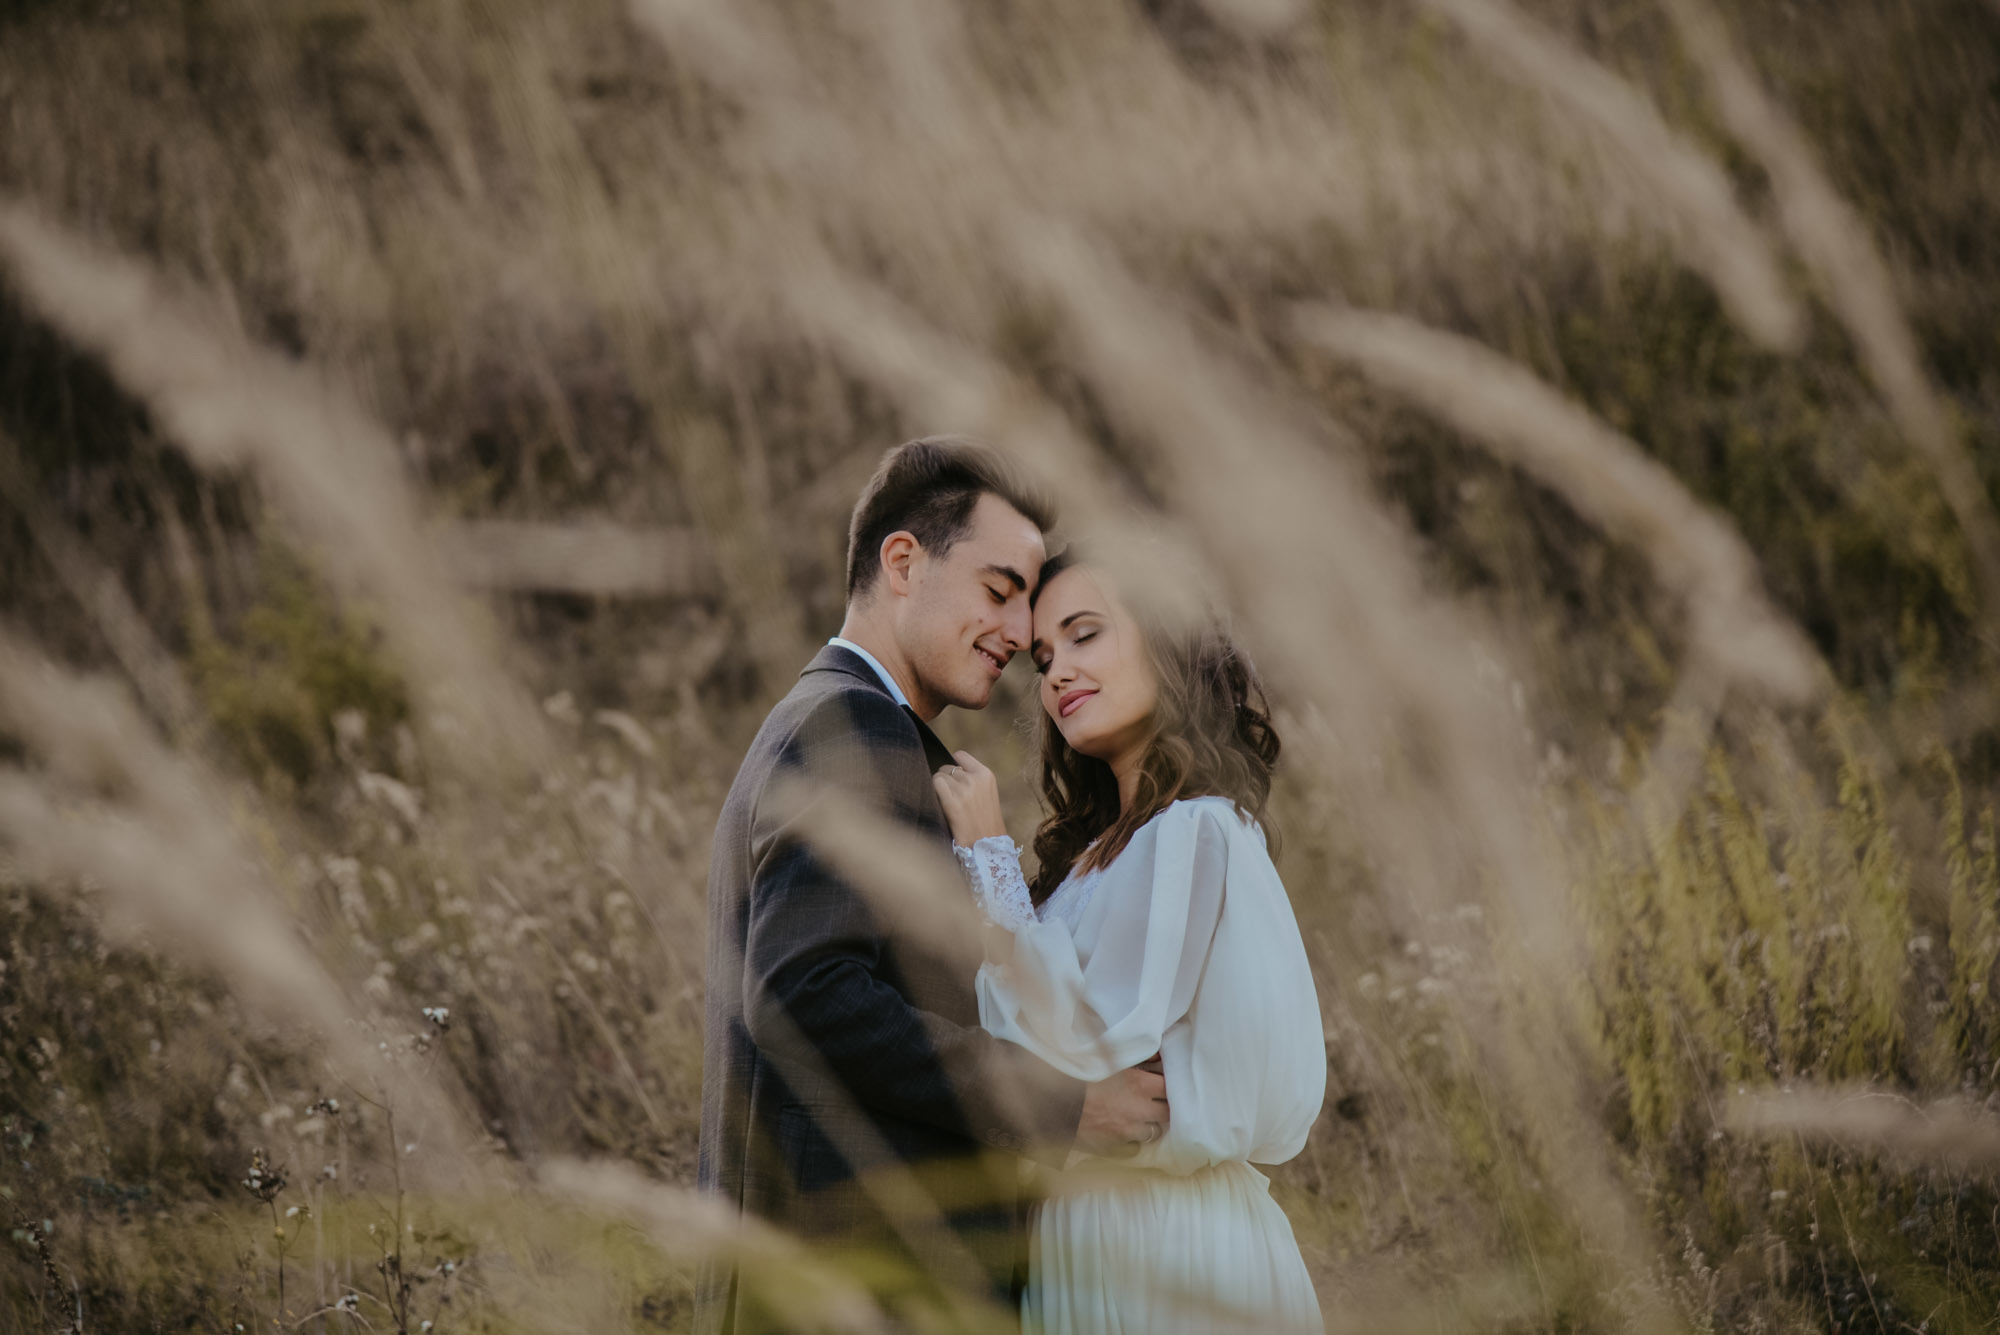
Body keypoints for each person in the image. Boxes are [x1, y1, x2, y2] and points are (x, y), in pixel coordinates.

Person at [697, 438, 1172, 1334]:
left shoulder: (835, 718)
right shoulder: (851, 725)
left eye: (1028, 602)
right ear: (904, 562)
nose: (1020, 629)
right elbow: (805, 993)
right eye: (999, 590)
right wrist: (1059, 1105)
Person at [933, 547, 1327, 1334]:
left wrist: (988, 860)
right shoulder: (1093, 858)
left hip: (1169, 1246)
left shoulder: (1196, 828)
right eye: (1044, 657)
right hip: (1087, 1236)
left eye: (1085, 635)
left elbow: (1085, 1047)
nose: (1055, 674)